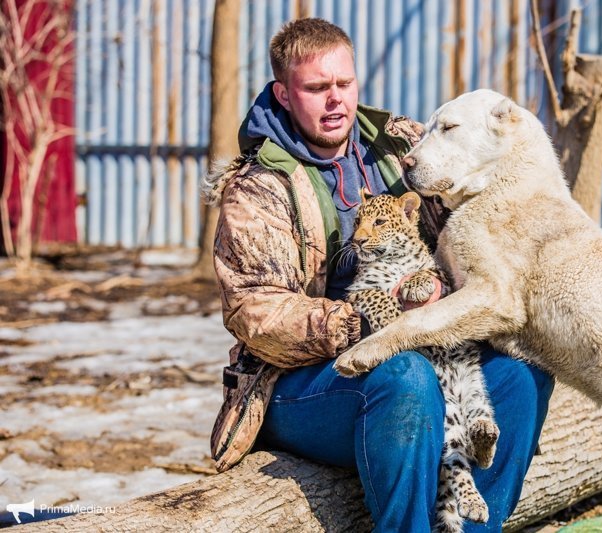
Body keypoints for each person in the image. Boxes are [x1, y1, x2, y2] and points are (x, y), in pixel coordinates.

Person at [205, 17, 554, 532]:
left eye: (344, 83)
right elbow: (256, 313)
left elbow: (478, 217)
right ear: (283, 93)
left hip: (428, 344)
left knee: (524, 374)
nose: (335, 100)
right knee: (404, 379)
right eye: (316, 88)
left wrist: (451, 289)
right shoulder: (259, 188)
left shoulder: (402, 147)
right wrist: (375, 323)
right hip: (302, 383)